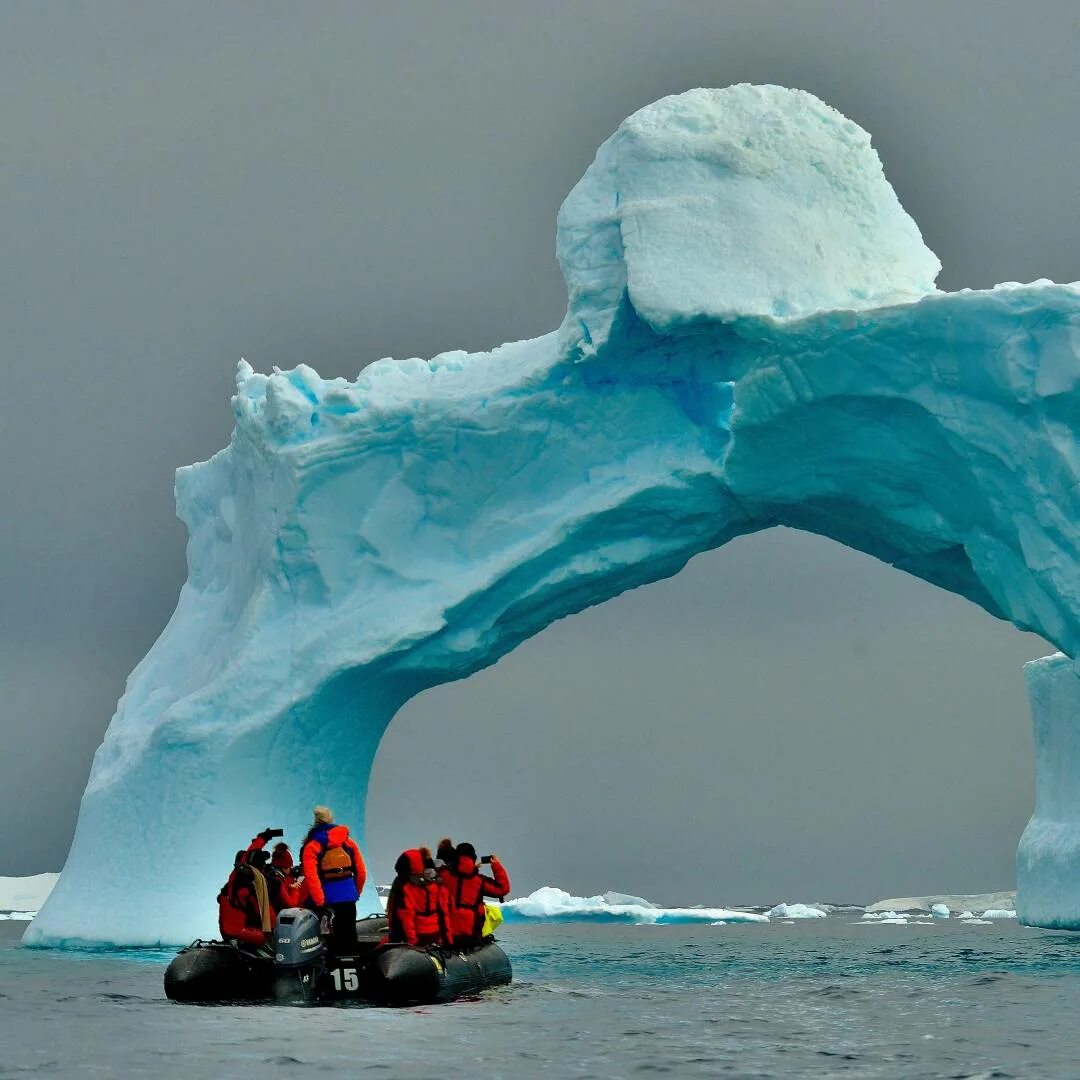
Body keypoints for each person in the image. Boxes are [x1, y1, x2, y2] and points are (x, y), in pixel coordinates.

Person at [300, 806, 367, 955]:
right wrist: (355, 892)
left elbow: (312, 877)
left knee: (328, 939)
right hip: (348, 897)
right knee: (349, 935)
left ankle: (331, 970)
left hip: (326, 900)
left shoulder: (312, 846)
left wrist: (319, 901)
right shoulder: (348, 842)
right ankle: (352, 968)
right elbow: (361, 872)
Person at [216, 827, 282, 949]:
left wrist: (263, 837)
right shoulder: (255, 886)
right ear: (260, 867)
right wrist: (277, 931)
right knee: (269, 939)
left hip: (226, 929)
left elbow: (248, 854)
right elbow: (267, 914)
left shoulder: (236, 874)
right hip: (240, 932)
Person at [439, 842, 510, 948]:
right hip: (471, 937)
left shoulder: (444, 875)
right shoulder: (479, 881)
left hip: (446, 937)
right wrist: (496, 865)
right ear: (473, 858)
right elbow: (502, 889)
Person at [385, 849, 453, 948]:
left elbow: (406, 916)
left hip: (415, 939)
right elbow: (443, 914)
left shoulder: (405, 886)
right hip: (434, 936)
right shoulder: (436, 886)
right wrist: (447, 940)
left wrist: (412, 942)